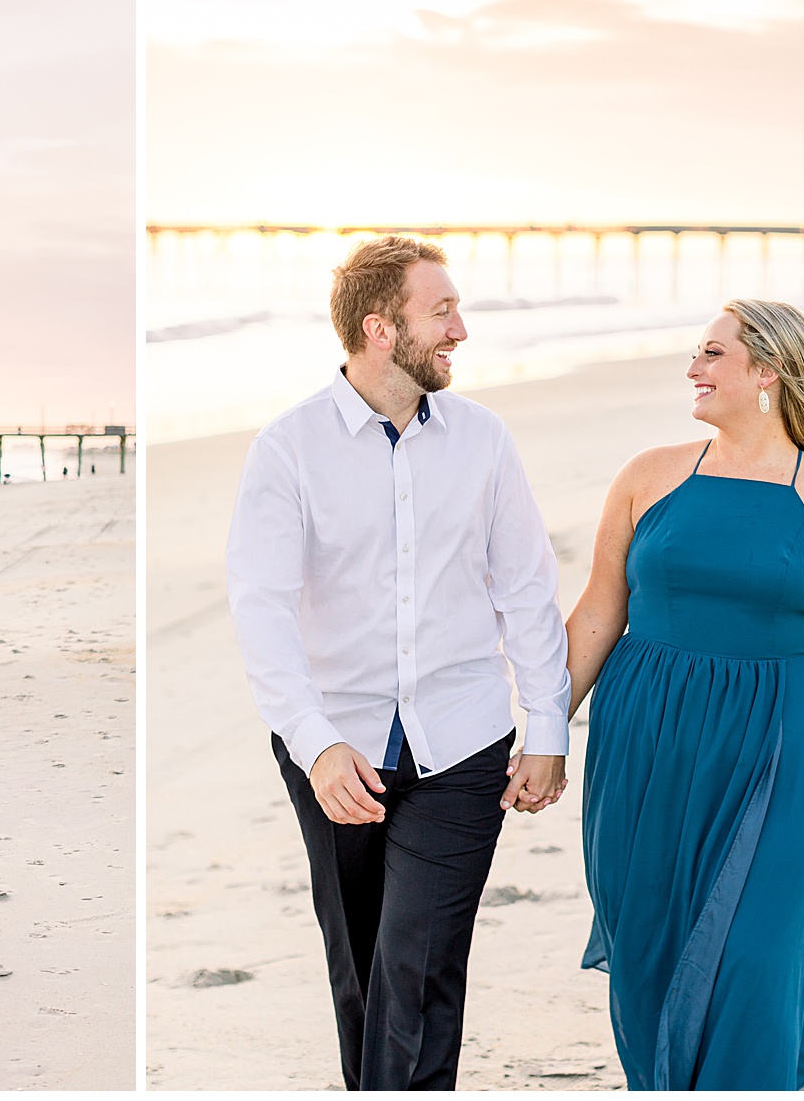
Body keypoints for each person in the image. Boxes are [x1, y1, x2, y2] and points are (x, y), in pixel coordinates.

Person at [226, 235, 570, 1091]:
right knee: (360, 970)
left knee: (419, 965)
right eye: (441, 310)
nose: (462, 329)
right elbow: (261, 610)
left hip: (464, 741)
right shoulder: (287, 450)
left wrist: (547, 727)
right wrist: (314, 742)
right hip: (334, 748)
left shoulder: (484, 441)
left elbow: (526, 589)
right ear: (381, 328)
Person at [569, 299, 804, 1090]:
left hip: (781, 743)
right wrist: (541, 734)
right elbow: (599, 608)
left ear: (766, 370)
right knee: (652, 946)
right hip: (647, 740)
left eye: (711, 353)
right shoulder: (649, 475)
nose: (692, 367)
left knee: (758, 953)